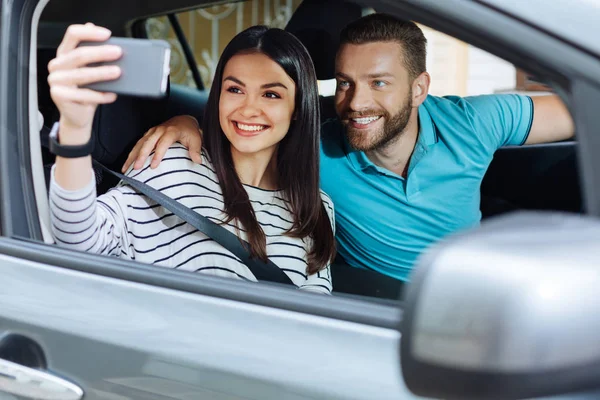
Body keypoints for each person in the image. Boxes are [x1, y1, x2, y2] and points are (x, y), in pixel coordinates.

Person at [122, 14, 574, 289]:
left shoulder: (475, 120)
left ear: (419, 89)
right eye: (344, 83)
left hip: (477, 297)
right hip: (374, 310)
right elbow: (249, 124)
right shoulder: (313, 143)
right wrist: (185, 122)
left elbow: (583, 107)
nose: (355, 103)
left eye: (379, 83)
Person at [47, 23, 336, 294]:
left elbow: (316, 317)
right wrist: (75, 128)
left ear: (298, 107)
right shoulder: (171, 161)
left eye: (271, 94)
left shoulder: (316, 208)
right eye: (234, 89)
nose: (248, 110)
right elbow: (80, 239)